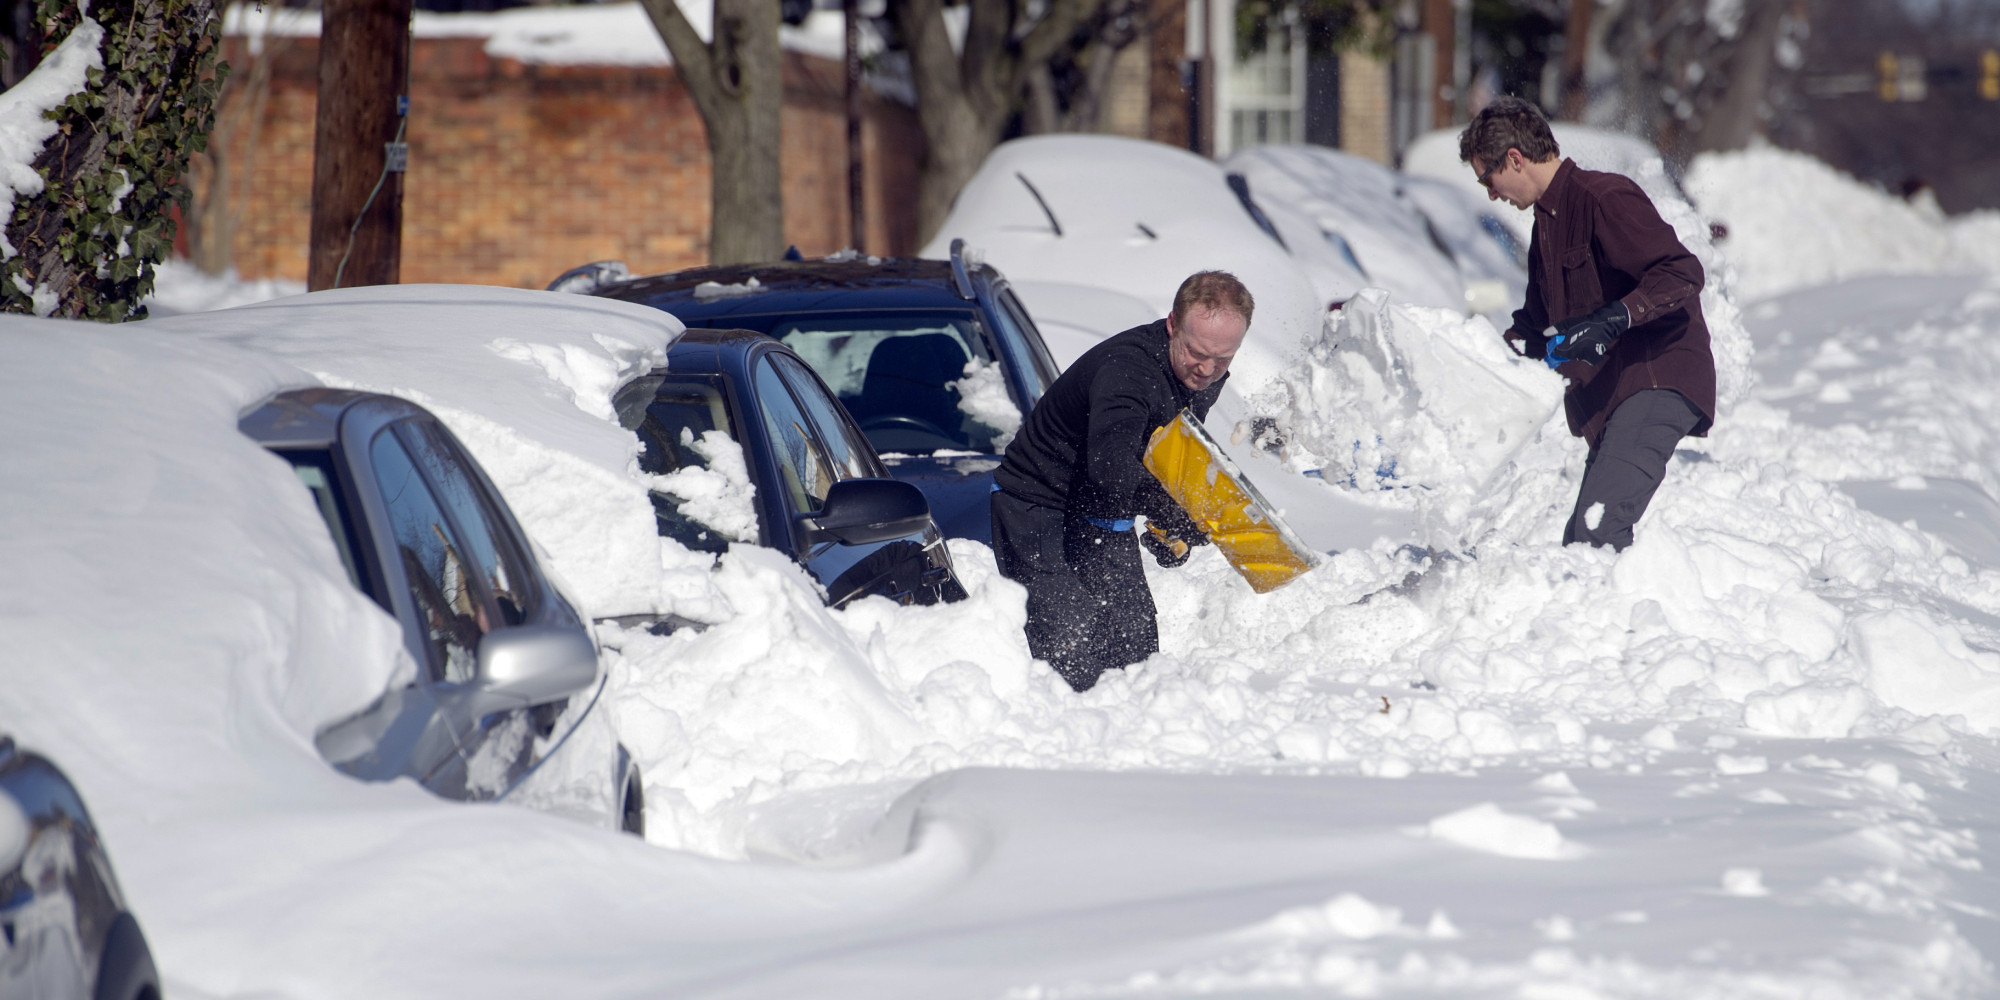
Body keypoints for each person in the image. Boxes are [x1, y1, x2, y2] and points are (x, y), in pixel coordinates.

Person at [1460, 96, 1716, 550]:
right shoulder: (1547, 225)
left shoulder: (1604, 197)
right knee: (1579, 546)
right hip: (1614, 399)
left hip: (1655, 378)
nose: (1491, 193)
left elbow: (1681, 273)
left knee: (1597, 536)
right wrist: (1478, 357)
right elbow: (1534, 326)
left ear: (1515, 159)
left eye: (1488, 178)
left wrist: (1615, 317)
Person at [990, 271, 1252, 692]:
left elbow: (1167, 448)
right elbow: (1111, 469)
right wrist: (1172, 509)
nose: (1207, 370)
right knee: (1069, 645)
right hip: (1037, 504)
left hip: (1101, 508)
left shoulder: (1204, 373)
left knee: (1134, 644)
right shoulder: (1128, 373)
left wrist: (1174, 525)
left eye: (1223, 359)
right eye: (1196, 353)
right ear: (1172, 325)